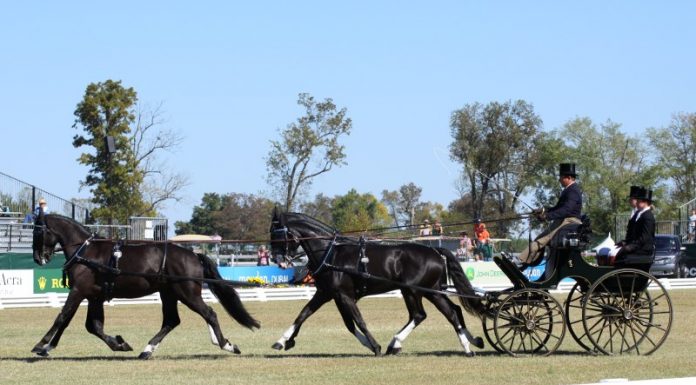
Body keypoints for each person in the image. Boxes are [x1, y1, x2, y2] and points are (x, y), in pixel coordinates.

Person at [517, 163, 583, 268]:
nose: (559, 180)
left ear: (569, 178)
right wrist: (543, 211)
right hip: (564, 220)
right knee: (540, 239)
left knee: (540, 241)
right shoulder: (569, 190)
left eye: (561, 177)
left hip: (569, 222)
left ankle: (520, 262)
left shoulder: (573, 191)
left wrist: (547, 216)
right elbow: (558, 208)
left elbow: (566, 210)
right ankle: (526, 262)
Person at [611, 187, 656, 269]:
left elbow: (644, 238)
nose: (637, 202)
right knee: (618, 252)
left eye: (638, 201)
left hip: (644, 249)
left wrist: (631, 246)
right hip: (639, 247)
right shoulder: (639, 214)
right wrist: (625, 242)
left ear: (644, 202)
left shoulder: (648, 216)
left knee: (621, 254)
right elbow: (634, 234)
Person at [597, 185, 641, 266]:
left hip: (633, 244)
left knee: (613, 252)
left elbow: (636, 234)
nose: (630, 200)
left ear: (636, 200)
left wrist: (627, 243)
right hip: (629, 242)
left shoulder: (639, 214)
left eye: (631, 198)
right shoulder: (634, 212)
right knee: (608, 250)